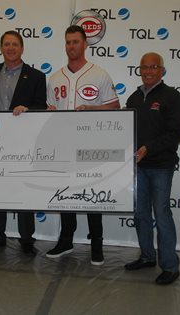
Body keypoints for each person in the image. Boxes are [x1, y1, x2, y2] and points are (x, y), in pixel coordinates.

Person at [45, 25, 120, 265]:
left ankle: (96, 244)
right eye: (68, 42)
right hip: (64, 146)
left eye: (76, 42)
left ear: (85, 44)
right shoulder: (55, 77)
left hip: (91, 145)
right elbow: (49, 112)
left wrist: (92, 108)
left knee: (92, 195)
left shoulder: (99, 74)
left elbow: (115, 108)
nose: (71, 46)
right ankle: (66, 240)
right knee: (66, 194)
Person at [0, 30, 47, 255]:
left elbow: (42, 106)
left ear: (22, 48)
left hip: (23, 141)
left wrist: (28, 109)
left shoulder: (36, 76)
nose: (11, 48)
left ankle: (27, 239)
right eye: (7, 44)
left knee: (25, 189)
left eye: (15, 44)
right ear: (1, 47)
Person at [124, 52, 180, 285]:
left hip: (161, 166)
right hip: (138, 167)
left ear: (161, 69)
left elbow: (178, 133)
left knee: (161, 215)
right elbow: (124, 129)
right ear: (139, 70)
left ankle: (170, 266)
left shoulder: (172, 96)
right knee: (141, 214)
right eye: (144, 67)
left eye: (153, 67)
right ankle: (148, 257)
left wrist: (148, 148)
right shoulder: (133, 98)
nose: (148, 71)